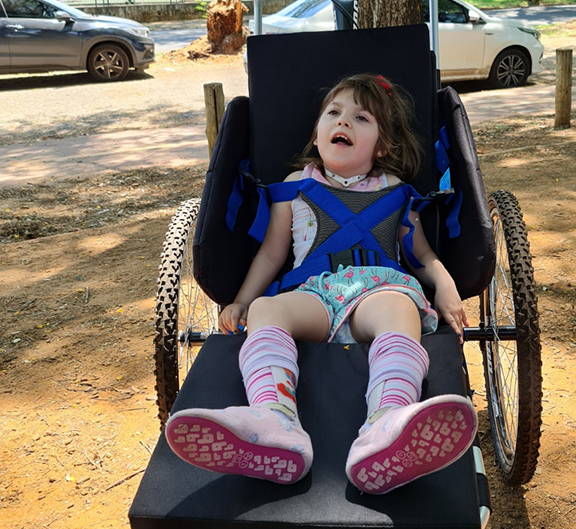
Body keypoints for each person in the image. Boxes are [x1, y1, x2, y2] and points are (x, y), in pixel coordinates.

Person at [165, 73, 477, 494]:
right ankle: (274, 421)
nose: (343, 121)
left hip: (377, 291)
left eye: (361, 118)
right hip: (315, 294)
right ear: (317, 134)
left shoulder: (397, 191)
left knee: (399, 310)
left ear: (382, 146)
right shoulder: (294, 188)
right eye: (333, 113)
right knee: (265, 309)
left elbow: (421, 255)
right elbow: (271, 255)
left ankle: (387, 422)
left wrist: (446, 287)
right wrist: (241, 300)